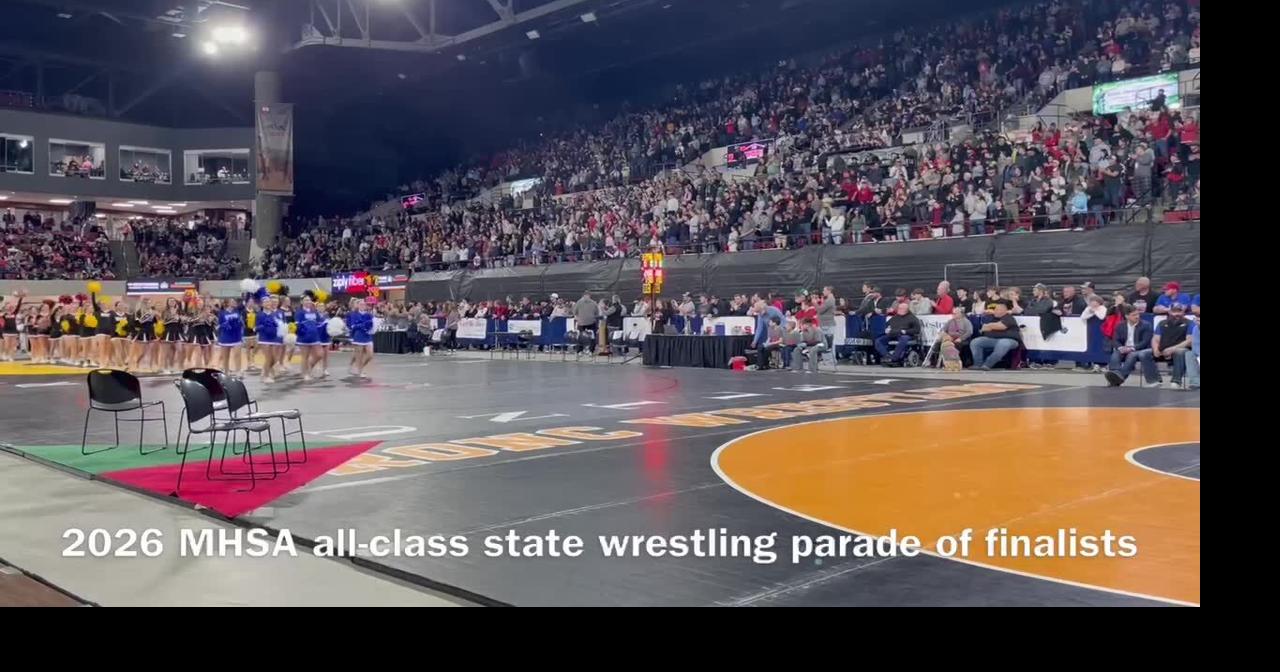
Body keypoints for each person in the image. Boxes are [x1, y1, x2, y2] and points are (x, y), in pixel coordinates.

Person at [1104, 306, 1157, 386]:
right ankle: (1115, 373)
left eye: (1138, 314)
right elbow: (1115, 340)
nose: (1137, 316)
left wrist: (1132, 348)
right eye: (1134, 315)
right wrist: (1120, 347)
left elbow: (1145, 342)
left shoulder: (1146, 325)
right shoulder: (1120, 325)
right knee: (1116, 353)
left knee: (1132, 355)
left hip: (1139, 349)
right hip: (1124, 347)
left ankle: (1118, 378)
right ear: (1127, 316)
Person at [1152, 303, 1194, 388]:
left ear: (1183, 312)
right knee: (1144, 353)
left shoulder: (1189, 323)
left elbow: (1189, 341)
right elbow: (1155, 339)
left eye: (1179, 311)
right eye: (1174, 311)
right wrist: (1155, 349)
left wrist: (1173, 349)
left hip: (1181, 349)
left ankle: (1176, 381)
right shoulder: (1162, 323)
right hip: (1163, 350)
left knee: (1179, 352)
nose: (1176, 314)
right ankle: (1154, 380)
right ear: (1169, 312)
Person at [970, 302, 1021, 369]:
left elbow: (1002, 326)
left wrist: (989, 326)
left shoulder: (1009, 318)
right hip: (993, 339)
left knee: (1003, 343)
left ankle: (987, 364)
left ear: (1004, 311)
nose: (995, 311)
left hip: (1010, 340)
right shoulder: (993, 318)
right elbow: (984, 329)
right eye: (995, 309)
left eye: (997, 310)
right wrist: (992, 326)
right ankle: (977, 364)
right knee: (976, 342)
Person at [875, 302, 921, 367]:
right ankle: (888, 356)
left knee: (904, 339)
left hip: (904, 334)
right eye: (899, 308)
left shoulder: (913, 318)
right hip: (893, 333)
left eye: (901, 308)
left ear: (906, 309)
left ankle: (895, 358)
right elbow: (887, 324)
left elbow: (917, 330)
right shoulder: (895, 317)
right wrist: (887, 329)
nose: (899, 309)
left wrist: (905, 331)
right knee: (878, 341)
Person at [347, 299, 375, 379]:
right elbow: (353, 326)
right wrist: (363, 325)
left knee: (370, 355)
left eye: (364, 304)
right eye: (361, 304)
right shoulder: (354, 314)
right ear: (358, 305)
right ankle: (360, 370)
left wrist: (370, 327)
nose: (362, 306)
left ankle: (360, 367)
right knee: (359, 355)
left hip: (367, 336)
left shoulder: (369, 315)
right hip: (358, 336)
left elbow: (372, 324)